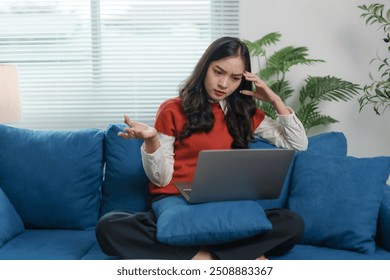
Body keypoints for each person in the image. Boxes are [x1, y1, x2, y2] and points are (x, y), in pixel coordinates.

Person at [96, 36, 308, 260]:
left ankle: (200, 257)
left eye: (235, 78)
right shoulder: (172, 109)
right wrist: (151, 140)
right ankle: (227, 256)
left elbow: (298, 144)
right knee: (110, 226)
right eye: (218, 72)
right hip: (176, 202)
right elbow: (161, 179)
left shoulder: (243, 112)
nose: (224, 84)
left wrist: (275, 100)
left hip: (224, 203)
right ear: (205, 67)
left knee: (292, 223)